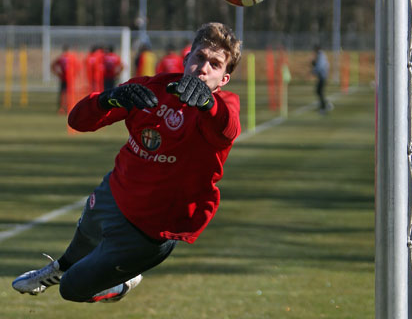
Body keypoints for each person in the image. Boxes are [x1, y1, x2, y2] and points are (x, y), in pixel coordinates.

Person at [12, 22, 241, 303]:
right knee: (81, 244)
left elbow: (227, 129)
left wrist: (208, 104)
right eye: (199, 58)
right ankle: (60, 267)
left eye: (215, 64)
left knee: (71, 290)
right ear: (186, 59)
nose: (204, 68)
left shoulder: (223, 106)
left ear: (224, 79)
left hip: (149, 231)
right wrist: (107, 99)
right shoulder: (151, 87)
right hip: (114, 193)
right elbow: (77, 121)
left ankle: (121, 283)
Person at [51, 45, 77, 113]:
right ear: (68, 50)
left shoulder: (61, 58)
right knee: (70, 93)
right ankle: (69, 107)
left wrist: (57, 73)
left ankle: (62, 108)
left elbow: (53, 66)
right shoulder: (72, 58)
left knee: (62, 94)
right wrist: (74, 74)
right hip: (69, 79)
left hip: (63, 78)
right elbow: (77, 67)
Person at [311, 44, 330, 112]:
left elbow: (320, 67)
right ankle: (326, 104)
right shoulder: (321, 55)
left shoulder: (321, 56)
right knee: (319, 91)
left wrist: (314, 71)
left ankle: (324, 108)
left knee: (319, 91)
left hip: (322, 76)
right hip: (322, 76)